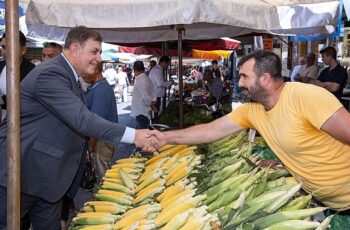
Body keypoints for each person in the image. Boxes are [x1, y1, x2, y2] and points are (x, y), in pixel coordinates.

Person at [151, 50, 350, 227]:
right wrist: (164, 137)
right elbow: (210, 131)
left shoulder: (305, 97)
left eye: (245, 77)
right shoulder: (252, 110)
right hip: (327, 202)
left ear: (264, 78)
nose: (239, 83)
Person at [0, 26, 157, 229]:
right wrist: (134, 135)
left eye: (99, 52)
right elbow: (83, 120)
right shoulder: (51, 73)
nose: (99, 58)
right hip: (25, 176)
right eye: (94, 51)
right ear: (74, 49)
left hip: (49, 182)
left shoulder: (69, 76)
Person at [83, 62, 118, 181]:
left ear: (95, 69)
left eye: (85, 70)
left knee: (103, 179)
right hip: (102, 140)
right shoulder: (97, 87)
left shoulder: (101, 91)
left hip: (102, 142)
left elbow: (95, 125)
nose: (82, 74)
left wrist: (91, 149)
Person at [0, 31, 36, 123]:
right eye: (3, 47)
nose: (5, 52)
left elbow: (26, 99)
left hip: (22, 122)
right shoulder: (0, 66)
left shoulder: (32, 72)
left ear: (23, 50)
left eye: (10, 47)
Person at [131, 61, 156, 129]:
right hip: (143, 111)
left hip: (141, 112)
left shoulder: (140, 80)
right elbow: (153, 94)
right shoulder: (147, 79)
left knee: (142, 134)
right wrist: (152, 105)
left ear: (134, 69)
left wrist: (151, 105)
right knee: (144, 132)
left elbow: (146, 98)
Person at [149, 56, 172, 122]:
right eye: (167, 64)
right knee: (154, 114)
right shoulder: (157, 70)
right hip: (155, 97)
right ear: (164, 62)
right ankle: (154, 128)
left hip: (155, 96)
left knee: (155, 114)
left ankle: (154, 127)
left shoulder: (157, 69)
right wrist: (170, 83)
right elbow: (160, 83)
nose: (167, 66)